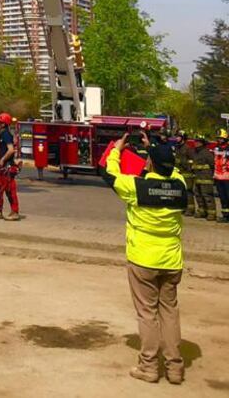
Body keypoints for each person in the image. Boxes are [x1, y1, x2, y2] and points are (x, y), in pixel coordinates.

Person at [104, 130, 187, 384]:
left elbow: (110, 175)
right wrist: (156, 150)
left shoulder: (137, 187)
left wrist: (117, 149)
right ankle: (175, 368)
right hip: (171, 261)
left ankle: (149, 367)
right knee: (170, 312)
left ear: (149, 163)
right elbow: (170, 172)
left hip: (143, 260)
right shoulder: (180, 186)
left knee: (147, 314)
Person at [0, 112, 21, 220]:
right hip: (3, 168)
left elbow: (11, 150)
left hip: (7, 168)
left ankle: (14, 212)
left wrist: (2, 159)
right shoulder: (3, 134)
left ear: (3, 124)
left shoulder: (6, 134)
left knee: (10, 191)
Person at [191, 134, 216, 220]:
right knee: (198, 195)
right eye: (195, 141)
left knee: (207, 196)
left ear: (202, 143)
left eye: (198, 142)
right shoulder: (195, 152)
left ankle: (211, 213)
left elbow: (212, 165)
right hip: (197, 177)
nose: (196, 143)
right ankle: (202, 211)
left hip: (206, 178)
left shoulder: (207, 153)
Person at [174, 132, 195, 216]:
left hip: (187, 173)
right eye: (176, 137)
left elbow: (192, 160)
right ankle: (183, 207)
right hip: (179, 172)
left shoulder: (188, 148)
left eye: (178, 137)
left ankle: (190, 209)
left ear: (183, 138)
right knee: (181, 191)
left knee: (188, 191)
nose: (176, 138)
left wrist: (185, 165)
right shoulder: (177, 147)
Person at [214, 130, 229, 222]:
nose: (219, 140)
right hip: (218, 177)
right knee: (222, 198)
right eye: (218, 138)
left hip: (227, 177)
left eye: (221, 138)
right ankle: (225, 216)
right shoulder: (217, 148)